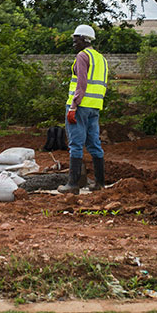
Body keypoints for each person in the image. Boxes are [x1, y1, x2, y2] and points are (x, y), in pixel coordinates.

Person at [57, 24, 108, 194]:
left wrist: (73, 106)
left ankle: (72, 185)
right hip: (95, 107)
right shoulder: (100, 58)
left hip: (80, 106)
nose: (74, 43)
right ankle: (100, 183)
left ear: (84, 39)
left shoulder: (82, 56)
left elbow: (81, 84)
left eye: (76, 39)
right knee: (94, 144)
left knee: (76, 144)